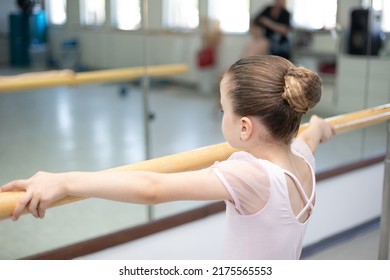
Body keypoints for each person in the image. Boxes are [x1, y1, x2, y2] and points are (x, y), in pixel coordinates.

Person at [0, 55, 335, 259]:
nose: (222, 115)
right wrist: (319, 126)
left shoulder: (252, 177)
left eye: (223, 109)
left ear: (244, 127)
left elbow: (152, 188)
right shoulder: (303, 160)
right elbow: (309, 135)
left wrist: (64, 180)